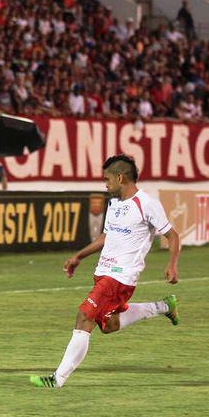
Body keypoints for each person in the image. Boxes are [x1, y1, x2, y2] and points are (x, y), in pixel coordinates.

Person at [30, 154, 181, 389]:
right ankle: (163, 306)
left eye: (107, 179)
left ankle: (57, 379)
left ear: (120, 177)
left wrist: (172, 264)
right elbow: (106, 236)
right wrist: (79, 256)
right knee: (109, 325)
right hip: (104, 272)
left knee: (84, 316)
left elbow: (173, 236)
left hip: (120, 277)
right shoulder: (114, 204)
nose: (105, 184)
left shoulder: (147, 204)